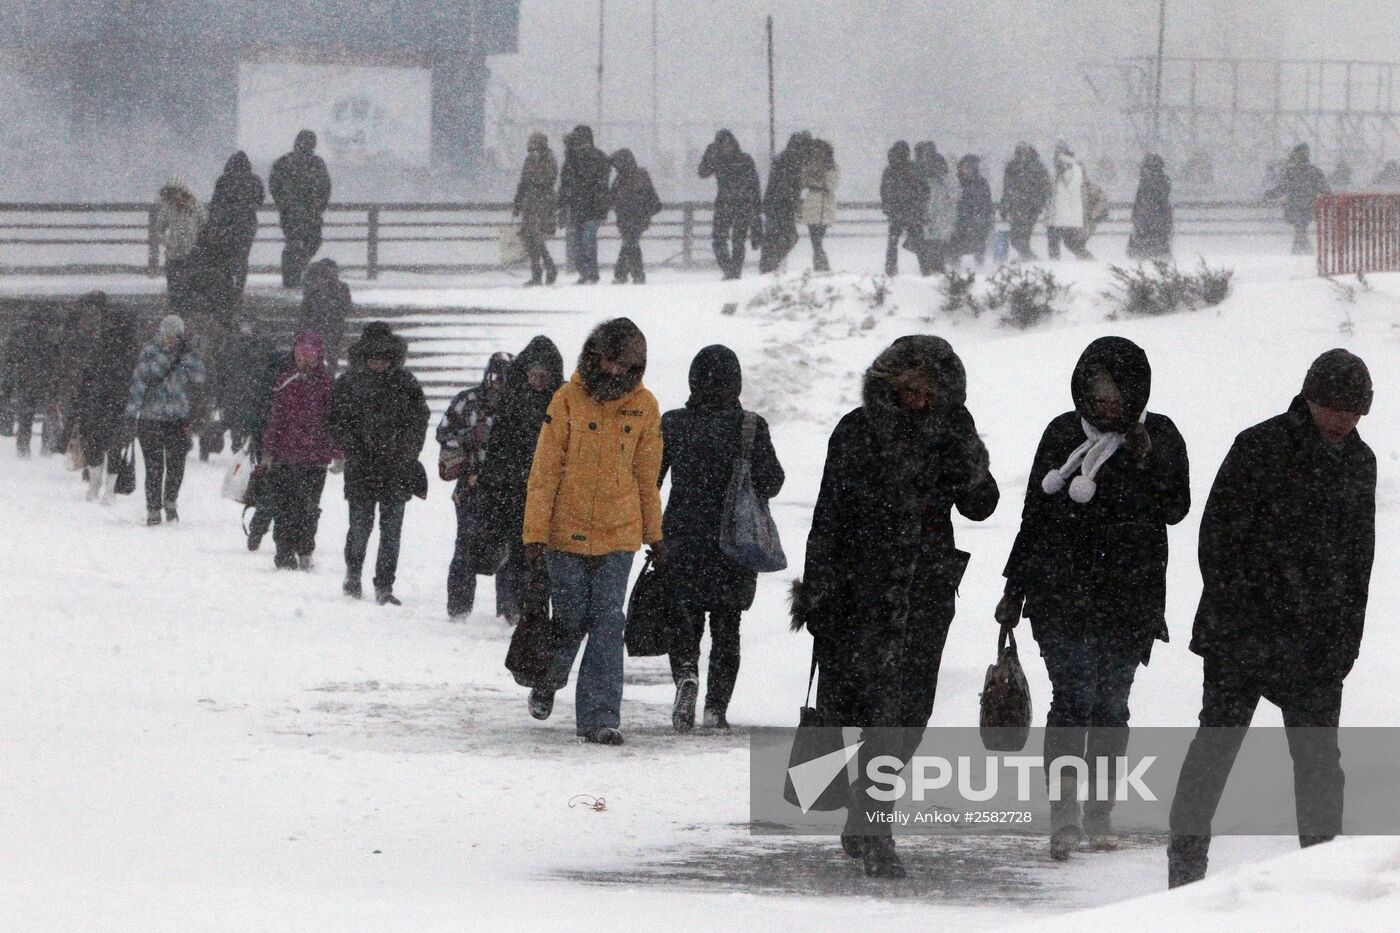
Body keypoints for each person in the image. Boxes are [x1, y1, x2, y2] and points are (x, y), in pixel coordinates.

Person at [792, 335, 999, 878]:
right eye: (910, 386)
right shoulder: (856, 431)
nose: (920, 397)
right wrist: (816, 591)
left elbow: (982, 504)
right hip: (857, 593)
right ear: (890, 384)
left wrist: (966, 456)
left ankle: (867, 813)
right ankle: (875, 823)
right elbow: (828, 515)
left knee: (909, 716)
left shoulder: (952, 428)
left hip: (924, 593)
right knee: (865, 709)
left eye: (931, 387)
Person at [1168, 350, 1374, 889]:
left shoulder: (1360, 462)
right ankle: (1184, 879)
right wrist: (1243, 617)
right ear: (1310, 399)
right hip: (1241, 639)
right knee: (1213, 754)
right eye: (1335, 409)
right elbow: (1217, 540)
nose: (1344, 422)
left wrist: (1344, 642)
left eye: (1355, 413)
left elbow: (1359, 559)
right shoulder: (1258, 446)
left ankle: (1324, 878)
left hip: (1315, 647)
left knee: (1319, 768)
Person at [997, 337, 1191, 861]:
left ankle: (1101, 811)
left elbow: (1176, 509)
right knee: (1073, 698)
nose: (1105, 407)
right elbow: (1034, 516)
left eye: (1115, 399)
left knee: (1109, 706)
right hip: (1061, 595)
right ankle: (1064, 816)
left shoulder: (1160, 435)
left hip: (1129, 596)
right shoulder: (1062, 433)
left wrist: (1148, 461)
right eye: (1097, 397)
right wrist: (1014, 588)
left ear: (1135, 395)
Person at [522, 318, 665, 746]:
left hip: (619, 535)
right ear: (597, 355)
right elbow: (544, 472)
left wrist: (654, 536)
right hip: (565, 533)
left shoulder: (646, 406)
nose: (618, 370)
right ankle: (548, 679)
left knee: (607, 622)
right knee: (569, 618)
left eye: (628, 363)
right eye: (612, 360)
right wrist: (534, 535)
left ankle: (601, 718)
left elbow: (647, 476)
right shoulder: (566, 400)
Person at [658, 345, 784, 732]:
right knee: (727, 627)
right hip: (734, 541)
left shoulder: (673, 423)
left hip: (682, 536)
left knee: (686, 618)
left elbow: (650, 479)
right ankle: (716, 708)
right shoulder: (750, 425)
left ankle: (686, 675)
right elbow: (773, 481)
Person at [327, 322, 430, 606]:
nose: (379, 362)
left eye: (383, 358)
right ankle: (353, 574)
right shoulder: (348, 384)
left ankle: (384, 584)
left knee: (390, 532)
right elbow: (335, 420)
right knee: (360, 528)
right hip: (362, 467)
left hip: (395, 468)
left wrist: (407, 452)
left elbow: (419, 420)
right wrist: (353, 445)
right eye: (374, 357)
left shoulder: (406, 383)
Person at [475, 336, 566, 624]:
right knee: (517, 552)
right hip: (514, 491)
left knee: (549, 558)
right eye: (534, 371)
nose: (538, 378)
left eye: (544, 372)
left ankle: (537, 611)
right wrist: (494, 489)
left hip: (551, 493)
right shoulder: (512, 404)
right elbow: (498, 451)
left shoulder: (563, 406)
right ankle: (515, 609)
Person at [437, 351, 514, 621]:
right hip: (472, 486)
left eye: (506, 379)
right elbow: (443, 432)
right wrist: (470, 439)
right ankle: (458, 609)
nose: (500, 384)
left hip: (509, 488)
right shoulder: (468, 400)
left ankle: (509, 611)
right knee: (466, 545)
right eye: (496, 377)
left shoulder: (519, 404)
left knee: (509, 548)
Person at [259, 331, 340, 571]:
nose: (304, 361)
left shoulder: (327, 384)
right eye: (300, 356)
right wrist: (268, 452)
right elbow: (275, 420)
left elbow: (334, 421)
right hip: (286, 456)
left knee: (308, 507)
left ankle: (305, 549)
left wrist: (336, 452)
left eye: (309, 356)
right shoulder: (286, 381)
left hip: (314, 458)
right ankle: (284, 551)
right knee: (285, 506)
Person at [125, 314, 207, 525]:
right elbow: (140, 382)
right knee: (154, 467)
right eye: (168, 334)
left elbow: (200, 377)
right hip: (150, 418)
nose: (172, 338)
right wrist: (131, 414)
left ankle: (170, 501)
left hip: (177, 418)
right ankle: (153, 508)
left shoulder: (186, 354)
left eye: (176, 334)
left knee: (177, 465)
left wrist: (190, 354)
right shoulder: (150, 352)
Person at [74, 295, 138, 502]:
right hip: (118, 400)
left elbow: (88, 372)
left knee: (96, 443)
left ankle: (96, 485)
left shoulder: (100, 343)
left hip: (100, 399)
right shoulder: (130, 346)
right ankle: (108, 489)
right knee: (114, 445)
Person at [269, 130, 332, 288]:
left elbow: (274, 186)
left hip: (300, 213)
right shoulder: (313, 163)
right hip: (301, 213)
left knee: (302, 243)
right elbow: (325, 187)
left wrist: (285, 204)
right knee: (303, 243)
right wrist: (316, 206)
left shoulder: (285, 162)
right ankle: (294, 274)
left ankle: (293, 273)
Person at [698, 130, 763, 280]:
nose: (727, 147)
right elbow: (702, 172)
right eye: (723, 144)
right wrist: (710, 154)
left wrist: (755, 206)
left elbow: (754, 184)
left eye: (729, 143)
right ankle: (730, 270)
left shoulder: (744, 159)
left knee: (737, 241)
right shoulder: (717, 159)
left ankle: (734, 272)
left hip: (741, 205)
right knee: (719, 240)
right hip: (725, 204)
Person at [201, 151, 265, 295]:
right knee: (241, 258)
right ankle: (238, 288)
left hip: (226, 225)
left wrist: (214, 222)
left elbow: (215, 204)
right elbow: (259, 201)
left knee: (225, 257)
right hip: (245, 225)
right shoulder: (254, 181)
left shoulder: (224, 180)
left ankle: (228, 287)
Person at [556, 125, 612, 284]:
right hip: (582, 206)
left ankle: (590, 274)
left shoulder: (586, 158)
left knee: (585, 241)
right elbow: (565, 184)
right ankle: (586, 273)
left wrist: (562, 203)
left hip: (588, 207)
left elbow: (568, 184)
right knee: (579, 242)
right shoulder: (576, 159)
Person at [3, 305, 57, 457]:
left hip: (24, 379)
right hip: (45, 380)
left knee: (25, 418)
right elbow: (55, 357)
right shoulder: (48, 334)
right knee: (48, 416)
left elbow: (10, 356)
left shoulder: (19, 333)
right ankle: (47, 449)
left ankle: (23, 450)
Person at [218, 318, 274, 453]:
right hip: (238, 389)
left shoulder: (259, 345)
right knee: (237, 422)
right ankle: (237, 447)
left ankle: (246, 448)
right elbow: (225, 367)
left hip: (250, 390)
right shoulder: (232, 344)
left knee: (250, 421)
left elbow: (263, 366)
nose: (246, 330)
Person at [609, 148, 663, 284]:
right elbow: (613, 197)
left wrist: (644, 211)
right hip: (627, 217)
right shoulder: (624, 178)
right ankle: (628, 274)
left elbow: (650, 196)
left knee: (630, 243)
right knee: (630, 245)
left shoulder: (637, 176)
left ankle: (630, 274)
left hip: (636, 217)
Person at [759, 132, 811, 273]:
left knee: (775, 237)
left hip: (775, 204)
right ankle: (770, 265)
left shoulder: (785, 158)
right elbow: (786, 186)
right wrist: (794, 201)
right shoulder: (791, 160)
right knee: (788, 236)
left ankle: (768, 265)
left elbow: (781, 184)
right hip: (781, 205)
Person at [153, 180, 207, 313]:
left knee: (190, 285)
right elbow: (158, 229)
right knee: (173, 285)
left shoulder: (195, 206)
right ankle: (175, 311)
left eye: (179, 195)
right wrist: (168, 242)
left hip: (192, 253)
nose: (176, 199)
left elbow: (205, 224)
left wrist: (198, 242)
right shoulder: (167, 209)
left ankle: (188, 312)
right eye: (172, 196)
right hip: (173, 255)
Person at [1265, 143, 1330, 255]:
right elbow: (1324, 188)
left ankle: (1299, 251)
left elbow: (1282, 188)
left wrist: (1270, 194)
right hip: (1309, 206)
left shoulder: (1291, 172)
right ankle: (1305, 251)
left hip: (1294, 206)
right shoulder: (1313, 171)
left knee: (1300, 228)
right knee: (1301, 228)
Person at [513, 133, 559, 287]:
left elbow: (549, 179)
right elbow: (523, 181)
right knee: (529, 239)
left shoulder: (549, 158)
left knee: (536, 237)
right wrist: (518, 203)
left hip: (543, 203)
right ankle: (542, 271)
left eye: (533, 141)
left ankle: (544, 270)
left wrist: (534, 181)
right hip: (530, 203)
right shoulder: (530, 159)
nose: (531, 144)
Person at [879, 141, 928, 276]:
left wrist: (887, 206)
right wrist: (920, 206)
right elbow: (924, 190)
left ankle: (890, 270)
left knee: (893, 243)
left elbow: (884, 190)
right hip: (912, 212)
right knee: (919, 243)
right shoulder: (914, 168)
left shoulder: (889, 170)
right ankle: (925, 270)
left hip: (897, 212)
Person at [297, 259, 351, 376]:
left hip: (333, 326)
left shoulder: (340, 288)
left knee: (332, 353)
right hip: (316, 326)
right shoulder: (311, 291)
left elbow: (346, 307)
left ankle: (329, 375)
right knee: (316, 353)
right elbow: (305, 311)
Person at [1001, 143, 1052, 262]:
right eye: (1019, 152)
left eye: (1023, 152)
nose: (1021, 155)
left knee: (1021, 238)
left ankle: (1028, 258)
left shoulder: (1037, 167)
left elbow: (1046, 188)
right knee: (1016, 239)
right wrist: (1005, 206)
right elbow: (1007, 189)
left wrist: (1038, 203)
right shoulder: (1012, 167)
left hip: (1030, 208)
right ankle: (1028, 258)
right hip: (1016, 207)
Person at [799, 140, 840, 273]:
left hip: (825, 204)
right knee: (815, 239)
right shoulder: (808, 166)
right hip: (812, 203)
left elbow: (831, 185)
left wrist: (817, 181)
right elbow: (803, 182)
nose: (818, 153)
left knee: (818, 239)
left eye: (820, 151)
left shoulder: (832, 167)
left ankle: (821, 265)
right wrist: (813, 180)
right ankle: (821, 265)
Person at [1047, 143, 1092, 260]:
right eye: (1056, 152)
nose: (1056, 155)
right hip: (1055, 213)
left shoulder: (1074, 168)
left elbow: (1073, 187)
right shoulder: (1054, 169)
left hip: (1068, 213)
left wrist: (1065, 172)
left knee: (1071, 243)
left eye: (1059, 152)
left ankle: (1089, 260)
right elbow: (1050, 190)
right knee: (1053, 242)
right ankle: (1053, 266)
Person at [915, 142, 955, 274]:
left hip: (931, 203)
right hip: (934, 204)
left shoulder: (923, 167)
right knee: (935, 238)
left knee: (931, 237)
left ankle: (931, 266)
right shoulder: (936, 164)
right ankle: (936, 266)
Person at [1128, 154, 1174, 261]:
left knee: (1148, 248)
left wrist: (1137, 215)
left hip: (1150, 221)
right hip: (1153, 220)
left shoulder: (1150, 182)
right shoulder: (1159, 181)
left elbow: (1142, 201)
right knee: (1154, 247)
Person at [951, 155, 994, 267]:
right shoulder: (956, 182)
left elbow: (987, 201)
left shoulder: (981, 183)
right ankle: (954, 269)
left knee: (978, 246)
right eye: (964, 167)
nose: (966, 170)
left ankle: (980, 269)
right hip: (959, 219)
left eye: (969, 167)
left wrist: (985, 216)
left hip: (976, 219)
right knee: (955, 246)